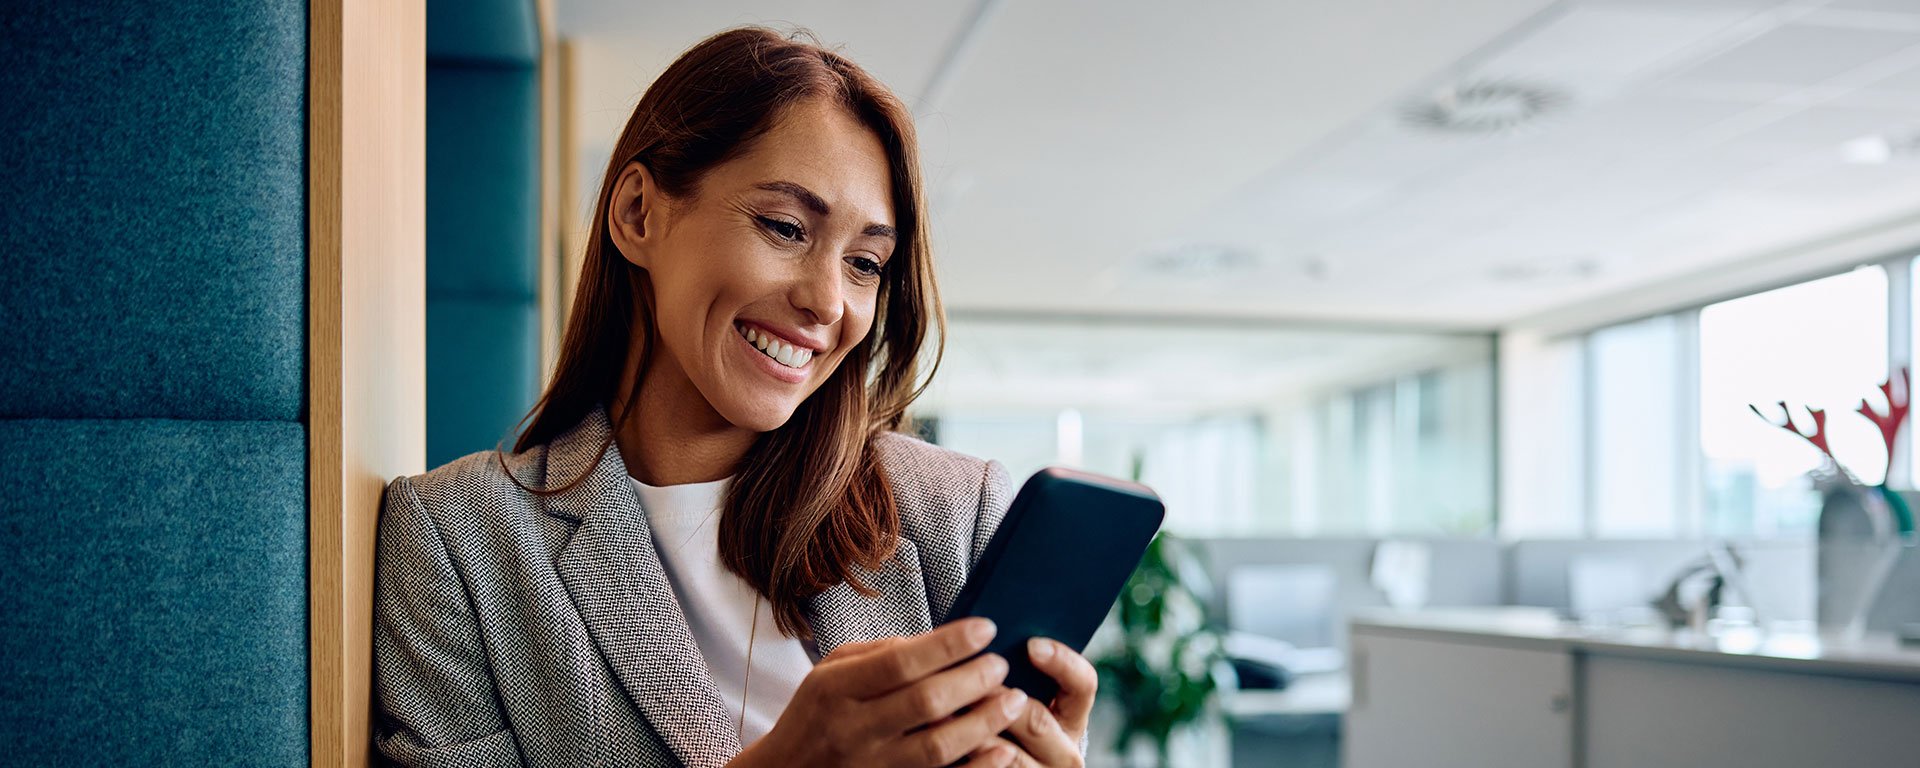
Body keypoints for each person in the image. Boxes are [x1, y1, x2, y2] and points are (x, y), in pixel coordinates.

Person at [372, 27, 1094, 768]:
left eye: (866, 263)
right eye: (785, 227)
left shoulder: (955, 514)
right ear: (637, 214)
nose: (826, 300)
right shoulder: (457, 542)